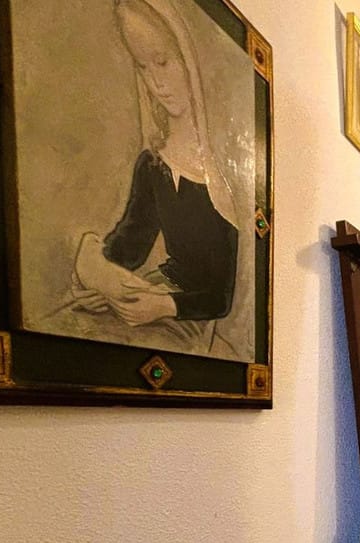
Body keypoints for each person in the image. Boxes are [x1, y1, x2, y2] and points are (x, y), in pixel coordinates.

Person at [62, 0, 241, 357]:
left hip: (189, 314)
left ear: (188, 61)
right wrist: (99, 275)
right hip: (154, 289)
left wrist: (164, 306)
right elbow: (131, 245)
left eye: (163, 62)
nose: (157, 82)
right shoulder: (152, 164)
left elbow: (220, 297)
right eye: (143, 67)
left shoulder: (221, 176)